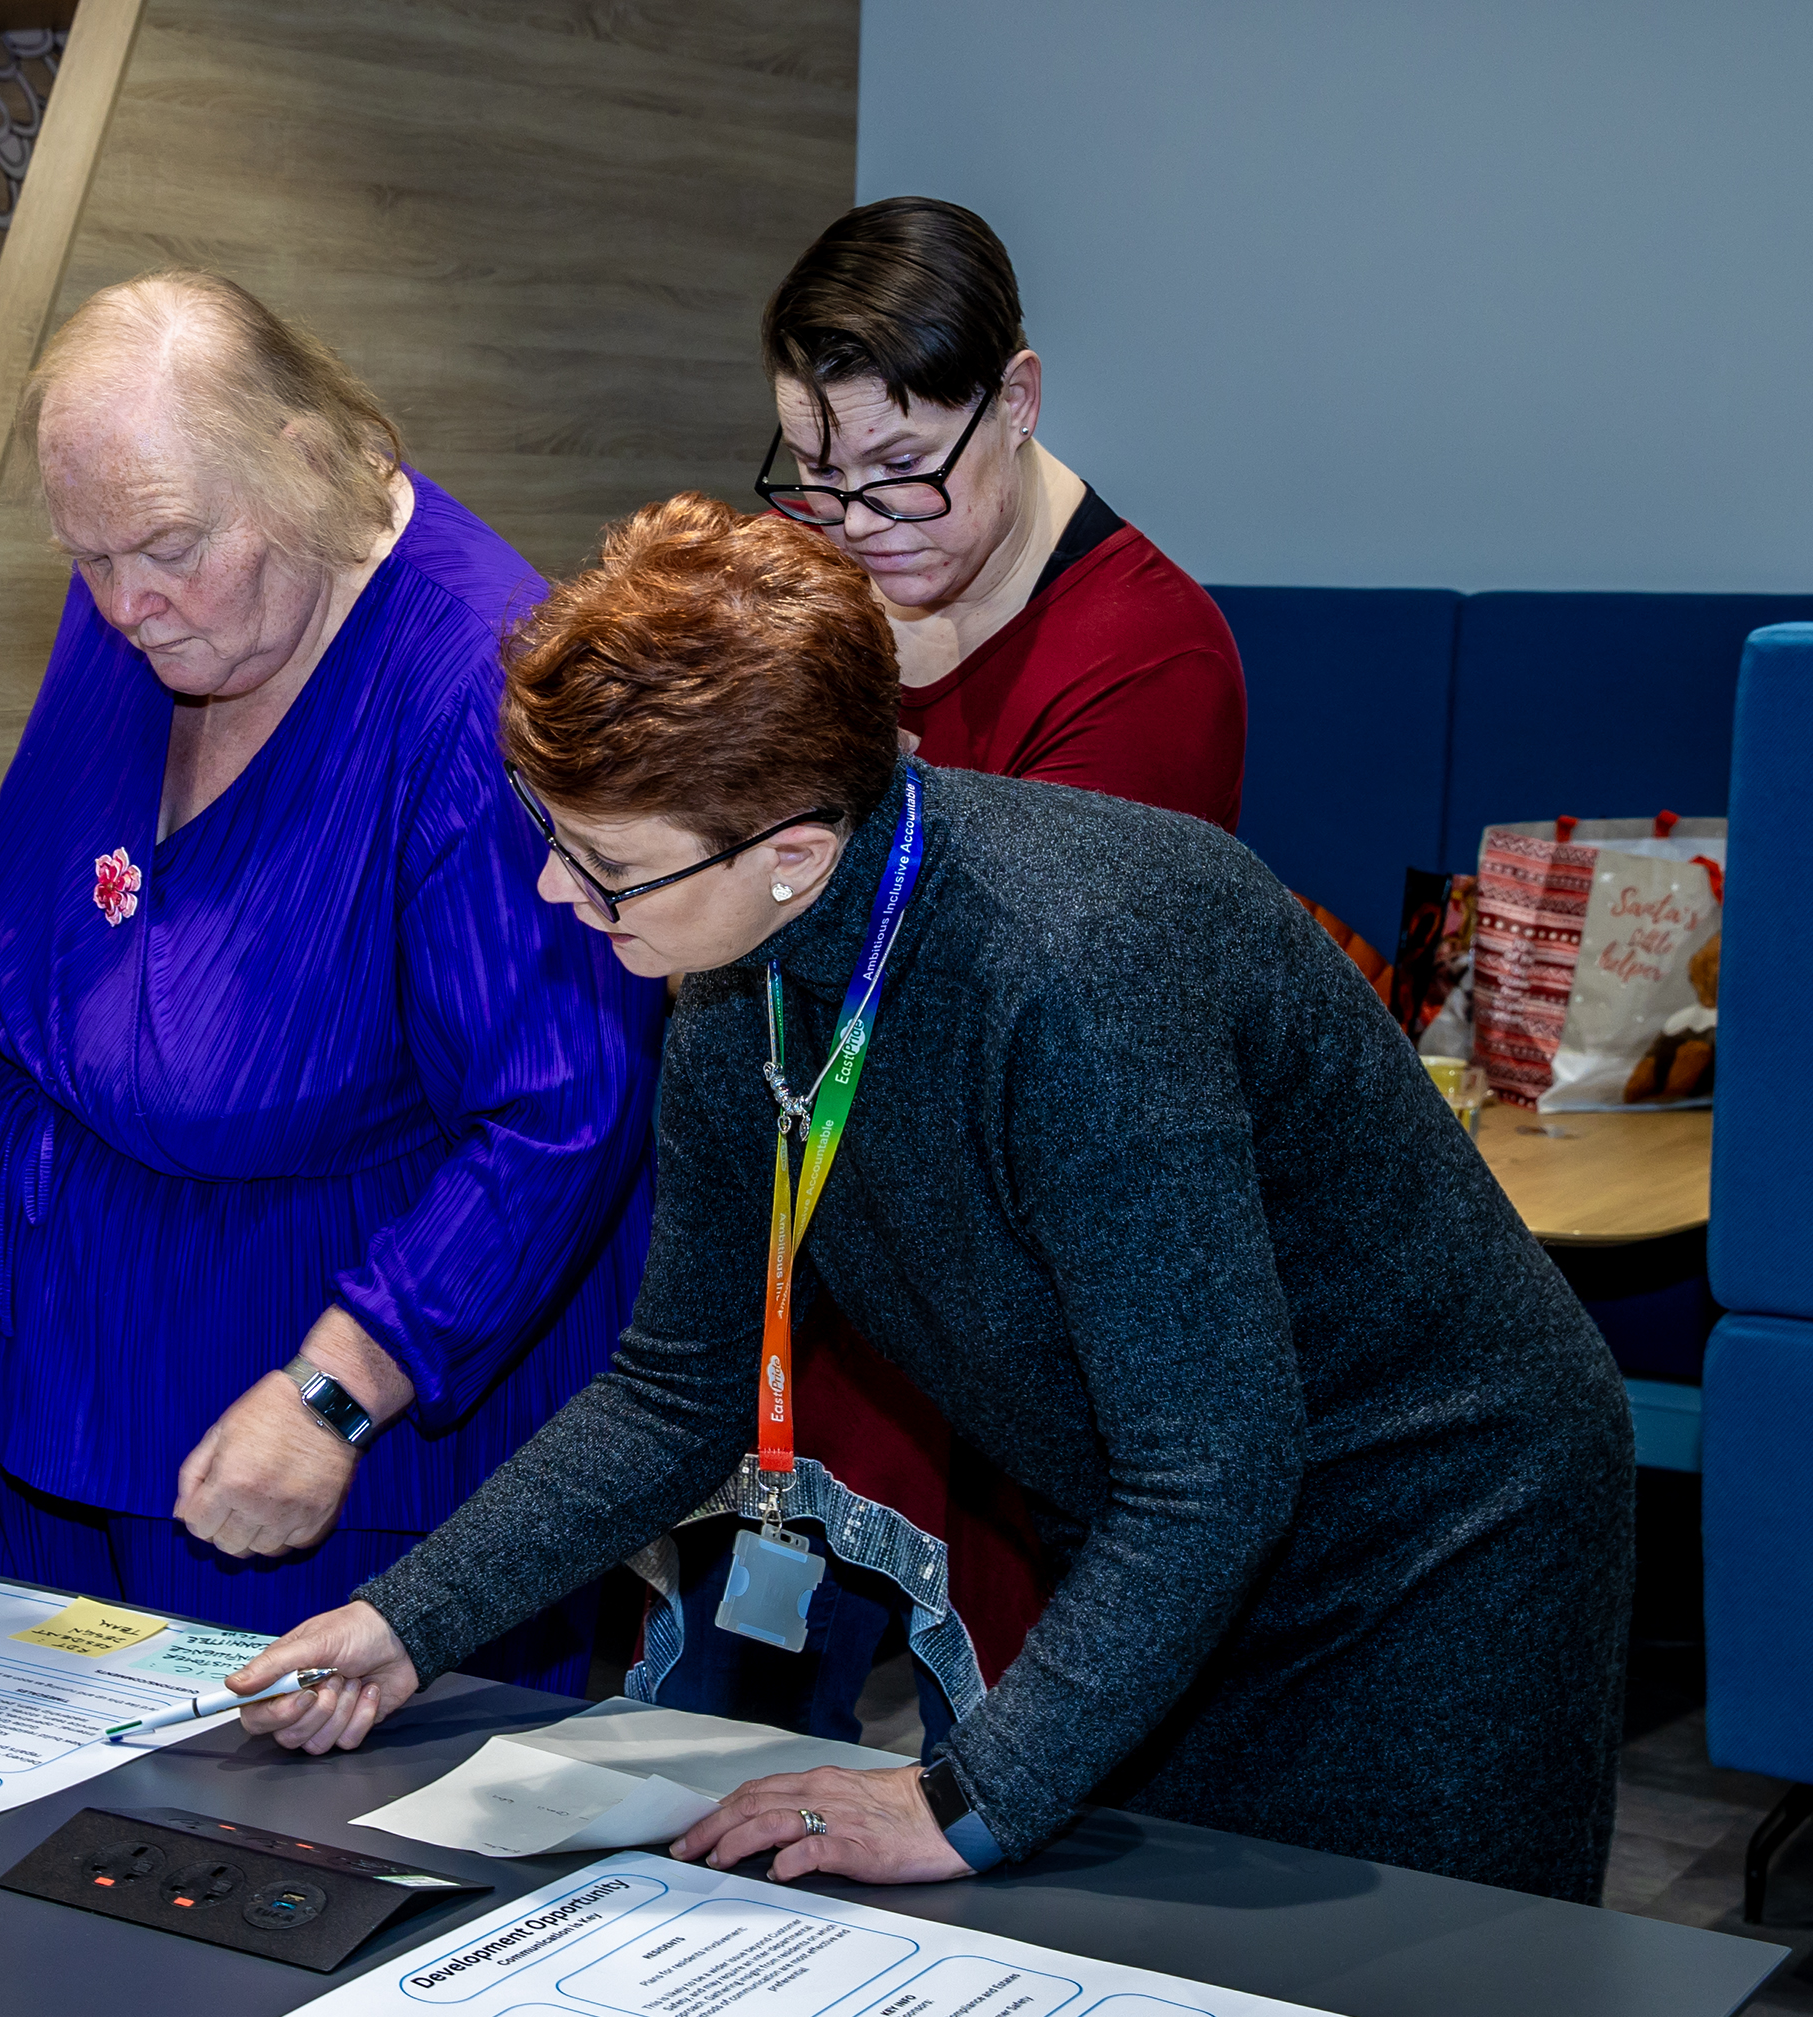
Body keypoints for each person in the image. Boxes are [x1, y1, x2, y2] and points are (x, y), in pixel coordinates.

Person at [227, 496, 1634, 1904]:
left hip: (1433, 1532)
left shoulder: (1067, 978)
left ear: (788, 845)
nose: (552, 890)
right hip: (1171, 1531)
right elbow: (674, 1391)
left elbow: (1212, 1468)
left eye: (601, 861)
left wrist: (960, 1796)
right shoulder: (736, 979)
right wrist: (409, 1622)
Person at [0, 271, 663, 1688]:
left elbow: (565, 1112)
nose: (127, 604)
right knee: (12, 1819)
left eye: (165, 549)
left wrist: (336, 1390)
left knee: (283, 1864)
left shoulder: (481, 689)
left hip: (312, 1428)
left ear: (311, 462)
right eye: (87, 558)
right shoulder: (156, 573)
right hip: (51, 1370)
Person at [678, 194, 1257, 1726]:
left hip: (1018, 1316)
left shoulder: (1146, 659)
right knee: (716, 1741)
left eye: (898, 473)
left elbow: (1013, 1022)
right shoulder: (810, 592)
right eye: (813, 478)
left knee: (999, 1770)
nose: (856, 525)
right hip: (814, 1289)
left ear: (1015, 400)